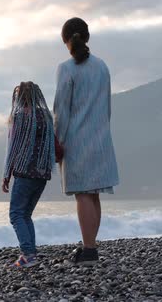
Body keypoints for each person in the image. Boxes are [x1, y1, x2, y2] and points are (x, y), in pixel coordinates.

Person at [53, 17, 119, 265]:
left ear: (65, 40)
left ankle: (89, 251)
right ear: (87, 37)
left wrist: (57, 141)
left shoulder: (66, 68)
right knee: (94, 195)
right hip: (101, 137)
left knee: (82, 194)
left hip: (77, 139)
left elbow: (62, 109)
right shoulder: (102, 66)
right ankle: (89, 247)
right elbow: (107, 106)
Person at [2, 81, 55, 268]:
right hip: (42, 173)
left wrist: (6, 174)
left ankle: (28, 254)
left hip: (24, 172)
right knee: (26, 214)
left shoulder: (19, 117)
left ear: (19, 97)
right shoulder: (46, 116)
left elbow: (13, 147)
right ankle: (31, 253)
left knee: (16, 214)